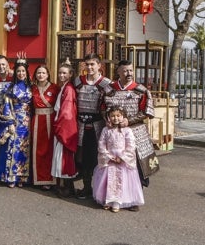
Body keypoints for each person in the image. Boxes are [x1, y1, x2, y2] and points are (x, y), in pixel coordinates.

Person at [104, 60, 158, 205]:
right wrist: (107, 119)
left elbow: (147, 111)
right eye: (125, 71)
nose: (129, 74)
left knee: (135, 167)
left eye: (131, 70)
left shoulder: (140, 90)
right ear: (118, 72)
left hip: (135, 131)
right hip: (114, 134)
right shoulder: (109, 89)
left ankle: (135, 198)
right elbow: (102, 108)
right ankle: (115, 197)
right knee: (114, 166)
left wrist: (130, 121)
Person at [92, 106, 144, 212]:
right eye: (112, 116)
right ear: (108, 117)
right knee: (109, 180)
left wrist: (122, 158)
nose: (115, 118)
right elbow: (101, 144)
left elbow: (131, 146)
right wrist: (108, 156)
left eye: (118, 116)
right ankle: (107, 200)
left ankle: (117, 202)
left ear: (123, 116)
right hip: (110, 158)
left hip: (122, 160)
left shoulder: (127, 130)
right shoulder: (106, 130)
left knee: (122, 180)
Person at [73, 53, 112, 199]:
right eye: (87, 64)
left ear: (99, 65)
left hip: (98, 125)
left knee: (99, 157)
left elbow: (111, 105)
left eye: (92, 64)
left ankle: (100, 188)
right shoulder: (78, 81)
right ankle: (86, 186)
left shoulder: (106, 83)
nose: (89, 67)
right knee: (82, 157)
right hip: (80, 124)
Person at [0, 52, 32, 188]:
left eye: (23, 71)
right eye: (18, 71)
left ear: (26, 72)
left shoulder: (31, 87)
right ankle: (10, 177)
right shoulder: (10, 87)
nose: (21, 73)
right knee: (11, 149)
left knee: (24, 150)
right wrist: (10, 122)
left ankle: (22, 177)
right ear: (15, 72)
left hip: (27, 123)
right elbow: (6, 107)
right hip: (15, 120)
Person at [51, 61, 79, 197]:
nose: (61, 75)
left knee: (62, 157)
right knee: (61, 157)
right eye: (60, 72)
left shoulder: (68, 89)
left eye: (64, 73)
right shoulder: (65, 87)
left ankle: (64, 186)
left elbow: (66, 113)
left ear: (70, 74)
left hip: (64, 126)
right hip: (61, 122)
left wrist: (58, 128)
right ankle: (63, 185)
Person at [30, 65, 60, 190]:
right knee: (36, 149)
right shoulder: (32, 88)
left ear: (47, 74)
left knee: (49, 149)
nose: (41, 75)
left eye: (43, 73)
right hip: (37, 120)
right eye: (38, 73)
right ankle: (37, 178)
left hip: (50, 119)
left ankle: (49, 179)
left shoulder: (55, 88)